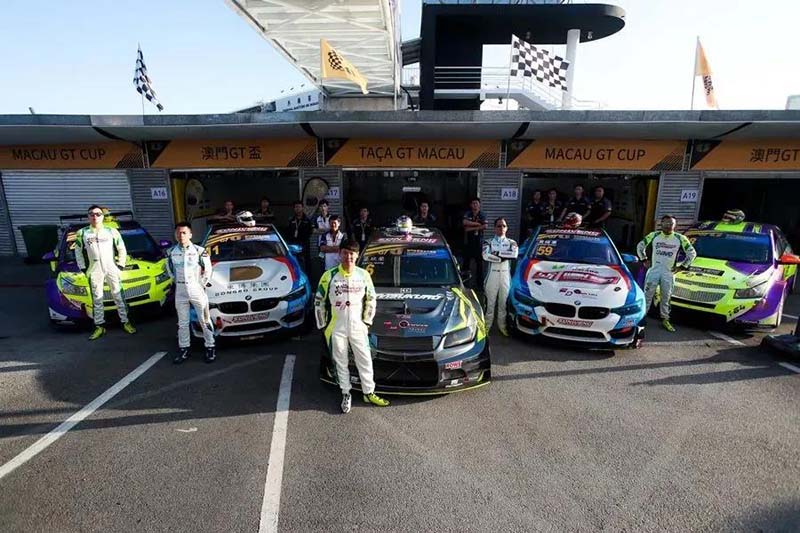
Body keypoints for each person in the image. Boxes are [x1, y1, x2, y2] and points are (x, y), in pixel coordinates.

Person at [314, 239, 389, 413]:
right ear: (340, 254)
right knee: (340, 361)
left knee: (365, 359)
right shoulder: (329, 276)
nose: (349, 257)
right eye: (346, 253)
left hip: (358, 326)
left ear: (357, 255)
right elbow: (319, 301)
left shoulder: (364, 275)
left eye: (352, 253)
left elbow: (371, 299)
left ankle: (369, 392)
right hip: (336, 327)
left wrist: (367, 321)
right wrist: (323, 325)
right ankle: (346, 393)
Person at [74, 206, 136, 340]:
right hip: (94, 268)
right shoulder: (82, 233)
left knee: (118, 295)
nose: (95, 217)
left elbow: (121, 248)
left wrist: (120, 265)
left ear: (102, 216)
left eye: (98, 214)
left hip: (111, 267)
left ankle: (125, 322)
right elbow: (78, 251)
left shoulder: (111, 231)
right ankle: (99, 326)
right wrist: (83, 268)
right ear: (88, 217)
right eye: (91, 214)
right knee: (97, 298)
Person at [636, 215, 697, 332]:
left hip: (669, 273)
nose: (669, 226)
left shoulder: (680, 238)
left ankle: (665, 319)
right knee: (647, 295)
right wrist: (644, 259)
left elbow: (692, 253)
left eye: (671, 223)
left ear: (675, 225)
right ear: (661, 224)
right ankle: (641, 318)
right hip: (654, 271)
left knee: (666, 297)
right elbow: (640, 246)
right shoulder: (654, 235)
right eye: (666, 223)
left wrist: (683, 266)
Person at [167, 222, 216, 364]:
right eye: (178, 233)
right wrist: (175, 282)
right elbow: (169, 270)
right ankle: (184, 349)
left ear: (190, 234)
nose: (181, 235)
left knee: (204, 320)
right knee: (182, 323)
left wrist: (201, 284)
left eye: (184, 233)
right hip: (180, 291)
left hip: (197, 289)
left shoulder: (199, 251)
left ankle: (210, 346)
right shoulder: (170, 252)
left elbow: (208, 270)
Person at [482, 217, 519, 336]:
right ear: (494, 228)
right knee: (490, 303)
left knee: (503, 304)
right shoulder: (488, 242)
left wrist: (496, 254)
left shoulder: (512, 242)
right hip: (492, 275)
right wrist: (503, 256)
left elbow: (514, 254)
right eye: (499, 226)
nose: (501, 228)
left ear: (507, 228)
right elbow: (485, 255)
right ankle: (486, 327)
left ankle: (502, 326)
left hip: (505, 276)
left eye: (504, 226)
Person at [462, 198, 487, 287]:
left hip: (478, 243)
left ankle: (479, 285)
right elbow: (464, 222)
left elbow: (485, 226)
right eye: (473, 203)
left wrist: (471, 227)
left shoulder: (482, 214)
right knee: (466, 264)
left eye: (476, 203)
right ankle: (464, 283)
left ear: (479, 205)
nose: (475, 205)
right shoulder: (468, 213)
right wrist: (478, 224)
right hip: (468, 243)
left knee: (479, 265)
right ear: (471, 205)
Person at [286, 200, 313, 271]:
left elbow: (310, 232)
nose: (297, 208)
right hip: (293, 244)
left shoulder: (307, 220)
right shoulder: (291, 220)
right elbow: (288, 232)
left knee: (306, 262)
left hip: (304, 244)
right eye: (296, 207)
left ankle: (308, 276)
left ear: (302, 208)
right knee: (294, 262)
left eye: (299, 207)